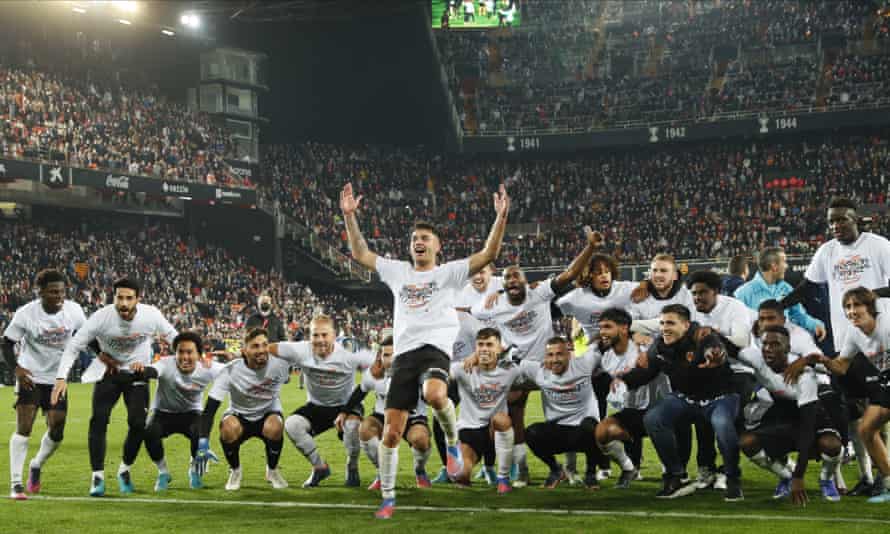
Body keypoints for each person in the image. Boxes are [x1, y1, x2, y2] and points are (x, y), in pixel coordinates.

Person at [339, 181, 509, 519]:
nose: (418, 242)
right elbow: (360, 253)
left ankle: (450, 441)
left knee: (434, 394)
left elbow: (489, 254)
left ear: (437, 246)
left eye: (425, 239)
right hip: (403, 355)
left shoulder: (449, 273)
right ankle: (388, 499)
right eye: (415, 239)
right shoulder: (397, 271)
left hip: (434, 348)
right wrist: (349, 216)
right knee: (391, 433)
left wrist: (501, 216)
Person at [471, 227, 602, 487]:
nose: (512, 281)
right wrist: (493, 297)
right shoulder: (493, 304)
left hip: (550, 363)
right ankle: (521, 470)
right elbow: (470, 311)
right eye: (507, 278)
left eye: (517, 277)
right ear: (503, 283)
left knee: (567, 411)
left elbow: (570, 274)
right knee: (510, 411)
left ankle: (571, 468)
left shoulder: (540, 293)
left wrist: (590, 248)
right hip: (520, 366)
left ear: (525, 280)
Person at [51, 277, 177, 497]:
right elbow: (74, 345)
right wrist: (61, 377)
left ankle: (124, 470)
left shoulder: (151, 315)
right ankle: (97, 477)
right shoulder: (101, 317)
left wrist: (186, 358)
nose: (124, 303)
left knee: (138, 423)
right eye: (120, 297)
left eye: (129, 298)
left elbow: (174, 337)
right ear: (113, 297)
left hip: (137, 373)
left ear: (138, 299)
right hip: (108, 373)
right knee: (98, 419)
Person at [613, 304, 743, 501]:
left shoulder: (703, 336)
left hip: (720, 398)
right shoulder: (660, 345)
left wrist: (715, 355)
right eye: (662, 323)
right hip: (686, 398)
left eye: (671, 323)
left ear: (686, 325)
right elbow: (646, 373)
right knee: (654, 418)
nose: (665, 328)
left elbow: (716, 349)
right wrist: (623, 380)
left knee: (723, 425)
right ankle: (676, 475)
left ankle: (732, 478)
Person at [785, 287, 890, 503]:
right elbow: (842, 366)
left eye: (856, 305)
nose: (851, 311)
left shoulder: (887, 324)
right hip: (886, 381)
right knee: (865, 429)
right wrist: (822, 360)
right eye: (847, 307)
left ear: (870, 307)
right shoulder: (853, 333)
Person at [3, 269, 86, 500]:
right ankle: (17, 484)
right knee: (25, 427)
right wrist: (17, 369)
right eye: (52, 292)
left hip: (57, 378)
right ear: (40, 292)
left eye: (61, 291)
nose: (58, 296)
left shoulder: (74, 311)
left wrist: (104, 358)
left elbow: (87, 336)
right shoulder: (26, 314)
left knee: (57, 429)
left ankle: (36, 464)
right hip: (31, 376)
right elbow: (7, 343)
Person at [736, 325, 843, 504]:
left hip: (812, 419)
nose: (769, 348)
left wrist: (799, 477)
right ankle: (785, 476)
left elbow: (807, 428)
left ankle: (826, 479)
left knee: (831, 445)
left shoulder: (805, 375)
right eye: (765, 344)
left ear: (788, 348)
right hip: (783, 419)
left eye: (775, 344)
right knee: (747, 442)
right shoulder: (757, 358)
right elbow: (732, 349)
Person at [269, 315, 375, 488]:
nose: (320, 340)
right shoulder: (300, 350)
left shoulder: (349, 354)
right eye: (315, 335)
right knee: (291, 425)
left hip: (346, 405)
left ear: (334, 335)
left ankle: (352, 465)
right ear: (309, 336)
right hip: (317, 406)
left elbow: (379, 365)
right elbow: (269, 349)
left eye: (324, 335)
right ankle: (320, 467)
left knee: (353, 426)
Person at [557, 250, 635, 483]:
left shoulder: (625, 290)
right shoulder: (575, 298)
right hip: (594, 364)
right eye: (598, 272)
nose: (604, 276)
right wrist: (579, 346)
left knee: (631, 409)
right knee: (593, 413)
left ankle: (634, 464)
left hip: (623, 357)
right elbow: (552, 305)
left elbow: (651, 288)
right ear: (587, 275)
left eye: (607, 271)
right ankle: (600, 464)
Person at [115, 331, 227, 491]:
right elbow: (152, 371)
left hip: (191, 413)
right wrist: (141, 370)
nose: (184, 357)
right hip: (163, 413)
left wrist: (235, 356)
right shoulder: (166, 364)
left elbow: (232, 371)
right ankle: (163, 472)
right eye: (180, 352)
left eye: (190, 352)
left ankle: (194, 470)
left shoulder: (208, 368)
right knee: (150, 431)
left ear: (199, 355)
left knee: (199, 431)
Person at [781, 198, 890, 353]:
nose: (835, 226)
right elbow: (808, 287)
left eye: (841, 220)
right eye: (831, 222)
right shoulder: (826, 250)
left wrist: (871, 295)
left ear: (856, 220)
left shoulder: (879, 245)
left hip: (878, 338)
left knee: (881, 376)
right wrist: (780, 306)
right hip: (844, 340)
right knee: (847, 376)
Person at [199, 328, 295, 491]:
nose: (262, 350)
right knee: (228, 429)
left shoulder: (280, 365)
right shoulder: (230, 371)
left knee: (275, 426)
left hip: (268, 412)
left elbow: (288, 376)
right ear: (244, 351)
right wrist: (202, 444)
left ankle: (272, 471)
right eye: (255, 346)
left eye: (265, 345)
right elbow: (209, 410)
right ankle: (235, 471)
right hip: (239, 414)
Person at [513, 336, 606, 489]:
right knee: (531, 433)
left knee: (592, 427)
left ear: (568, 354)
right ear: (545, 357)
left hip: (584, 432)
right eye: (550, 355)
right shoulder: (536, 370)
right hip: (557, 430)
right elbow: (509, 359)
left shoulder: (584, 363)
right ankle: (556, 470)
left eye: (559, 354)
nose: (555, 359)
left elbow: (605, 341)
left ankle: (590, 474)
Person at [342, 335, 432, 490]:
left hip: (412, 417)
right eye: (386, 355)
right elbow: (360, 392)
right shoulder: (375, 373)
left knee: (420, 439)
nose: (390, 360)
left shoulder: (416, 371)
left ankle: (420, 469)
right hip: (382, 417)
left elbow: (430, 391)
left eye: (394, 354)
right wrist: (343, 412)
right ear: (380, 356)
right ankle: (382, 473)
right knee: (364, 429)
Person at [450, 328, 520, 493]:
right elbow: (440, 374)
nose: (484, 349)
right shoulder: (462, 368)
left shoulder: (510, 370)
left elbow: (529, 364)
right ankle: (484, 468)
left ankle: (503, 478)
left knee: (502, 419)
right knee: (460, 474)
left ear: (499, 348)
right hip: (469, 429)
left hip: (494, 429)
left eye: (489, 344)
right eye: (480, 345)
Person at [592, 308, 650, 489]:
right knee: (602, 432)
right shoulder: (607, 358)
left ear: (624, 328)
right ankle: (629, 467)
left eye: (608, 327)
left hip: (658, 408)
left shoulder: (644, 346)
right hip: (632, 410)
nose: (602, 332)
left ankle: (674, 472)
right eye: (601, 327)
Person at [734, 247, 826, 341]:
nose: (786, 266)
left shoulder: (787, 288)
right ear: (774, 266)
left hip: (784, 347)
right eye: (784, 261)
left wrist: (815, 325)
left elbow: (798, 314)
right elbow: (737, 325)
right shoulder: (742, 293)